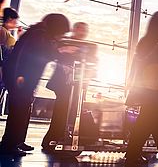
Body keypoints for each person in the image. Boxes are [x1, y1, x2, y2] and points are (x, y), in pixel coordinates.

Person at [0, 14, 73, 155]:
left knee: (23, 109)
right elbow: (45, 53)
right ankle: (9, 144)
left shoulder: (39, 33)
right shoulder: (39, 35)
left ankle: (17, 141)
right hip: (20, 78)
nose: (61, 35)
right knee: (18, 111)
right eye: (62, 32)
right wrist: (62, 53)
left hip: (23, 78)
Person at [125, 11, 158, 166]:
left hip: (144, 89)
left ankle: (134, 153)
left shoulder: (144, 41)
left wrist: (130, 82)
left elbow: (135, 64)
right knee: (153, 120)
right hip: (157, 89)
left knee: (147, 121)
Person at [41, 22, 90, 151]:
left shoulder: (84, 46)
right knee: (61, 111)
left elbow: (90, 60)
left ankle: (61, 137)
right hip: (64, 83)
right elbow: (56, 55)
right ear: (75, 29)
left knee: (71, 111)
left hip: (77, 84)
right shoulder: (65, 42)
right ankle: (52, 139)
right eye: (81, 29)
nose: (83, 32)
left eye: (85, 30)